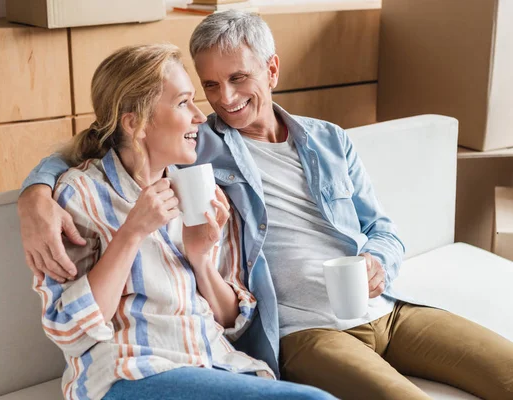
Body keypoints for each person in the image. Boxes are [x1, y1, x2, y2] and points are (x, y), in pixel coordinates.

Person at [18, 11, 513, 400]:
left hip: (388, 311)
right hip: (306, 332)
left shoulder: (329, 139)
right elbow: (111, 133)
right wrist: (35, 195)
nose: (225, 100)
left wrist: (380, 262)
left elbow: (382, 228)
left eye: (238, 79)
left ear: (273, 71)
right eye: (209, 87)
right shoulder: (200, 143)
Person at [28, 43, 334, 400]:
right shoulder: (78, 193)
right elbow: (71, 331)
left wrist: (202, 260)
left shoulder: (201, 190)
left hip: (215, 363)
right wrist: (132, 232)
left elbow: (233, 323)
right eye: (183, 102)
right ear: (135, 122)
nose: (200, 116)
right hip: (129, 370)